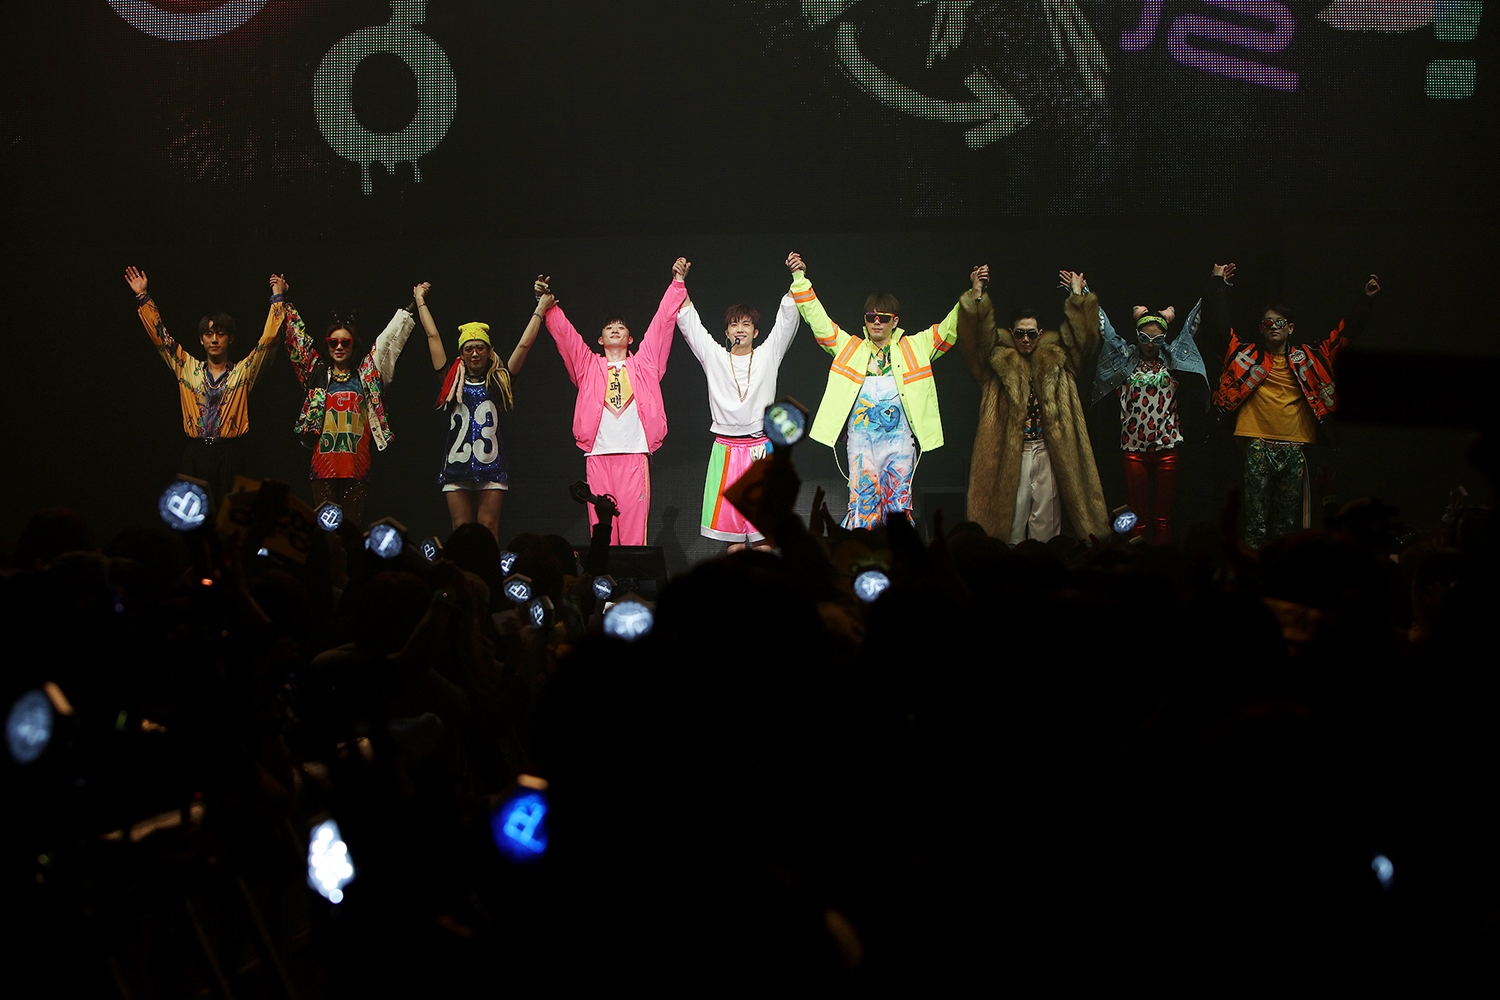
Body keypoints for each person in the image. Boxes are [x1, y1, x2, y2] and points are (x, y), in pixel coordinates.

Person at [1207, 265, 1381, 548]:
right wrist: (1217, 284)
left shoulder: (1310, 358)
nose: (1273, 326)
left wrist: (1366, 300)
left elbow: (1345, 334)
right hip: (1257, 445)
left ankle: (1280, 570)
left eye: (1280, 322)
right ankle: (1253, 570)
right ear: (1260, 328)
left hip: (1294, 447)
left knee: (1286, 526)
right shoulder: (1244, 355)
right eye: (1268, 322)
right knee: (1255, 524)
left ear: (1290, 328)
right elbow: (1217, 327)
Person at [785, 251, 960, 529]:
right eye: (871, 317)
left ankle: (899, 555)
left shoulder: (916, 347)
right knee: (862, 504)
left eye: (883, 317)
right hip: (861, 442)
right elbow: (818, 320)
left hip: (899, 442)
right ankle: (859, 553)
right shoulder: (850, 348)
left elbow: (951, 327)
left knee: (898, 508)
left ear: (895, 321)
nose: (876, 322)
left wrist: (974, 297)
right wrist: (799, 277)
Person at [539, 259, 690, 546]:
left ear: (631, 338)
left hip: (634, 456)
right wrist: (549, 306)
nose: (615, 329)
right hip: (598, 456)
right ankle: (601, 573)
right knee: (601, 532)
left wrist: (677, 284)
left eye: (621, 327)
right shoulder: (587, 367)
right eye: (609, 327)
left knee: (633, 535)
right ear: (600, 339)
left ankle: (631, 575)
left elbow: (661, 325)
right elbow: (567, 338)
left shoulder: (645, 366)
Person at [274, 274, 443, 526]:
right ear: (327, 345)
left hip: (357, 468)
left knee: (352, 532)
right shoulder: (316, 373)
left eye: (345, 342)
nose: (339, 347)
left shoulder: (367, 375)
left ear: (353, 345)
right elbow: (297, 341)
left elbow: (388, 341)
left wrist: (415, 302)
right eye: (333, 342)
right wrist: (281, 298)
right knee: (324, 533)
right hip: (322, 469)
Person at [957, 265, 1108, 542]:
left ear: (1040, 333)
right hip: (1012, 451)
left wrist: (1077, 297)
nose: (1025, 339)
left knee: (1046, 524)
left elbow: (1084, 342)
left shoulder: (1058, 359)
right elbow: (974, 343)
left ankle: (1045, 565)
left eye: (1031, 334)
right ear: (1011, 333)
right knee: (1012, 522)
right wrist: (977, 294)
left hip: (1048, 449)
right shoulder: (996, 362)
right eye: (1019, 334)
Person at [125, 265, 281, 502]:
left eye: (220, 334)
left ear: (230, 338)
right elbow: (161, 337)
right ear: (201, 339)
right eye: (209, 334)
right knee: (194, 511)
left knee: (229, 511)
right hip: (196, 453)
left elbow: (267, 343)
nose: (214, 340)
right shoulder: (187, 368)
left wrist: (277, 299)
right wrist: (143, 296)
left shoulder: (242, 372)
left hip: (229, 453)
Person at [676, 268, 801, 550]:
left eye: (746, 324)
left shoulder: (768, 354)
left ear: (756, 332)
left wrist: (797, 277)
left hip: (760, 448)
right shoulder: (715, 356)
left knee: (762, 536)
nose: (740, 329)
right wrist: (679, 282)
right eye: (734, 325)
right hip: (726, 450)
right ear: (727, 332)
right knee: (732, 541)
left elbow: (787, 320)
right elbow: (690, 324)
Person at [1091, 280, 1214, 544]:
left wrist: (1215, 285)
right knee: (1137, 516)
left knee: (1163, 518)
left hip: (1167, 446)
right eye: (1144, 338)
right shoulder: (1125, 357)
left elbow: (1192, 325)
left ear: (1164, 339)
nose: (1150, 344)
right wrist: (1082, 292)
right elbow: (1106, 329)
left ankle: (1162, 561)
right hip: (1133, 447)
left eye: (1157, 339)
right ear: (1137, 334)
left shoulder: (1172, 359)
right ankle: (1136, 561)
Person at [433, 278, 554, 538]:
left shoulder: (499, 382)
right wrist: (420, 302)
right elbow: (433, 337)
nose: (475, 353)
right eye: (469, 349)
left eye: (480, 348)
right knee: (461, 531)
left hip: (490, 464)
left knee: (488, 529)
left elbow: (523, 346)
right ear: (461, 354)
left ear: (489, 351)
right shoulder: (451, 382)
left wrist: (539, 310)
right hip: (456, 465)